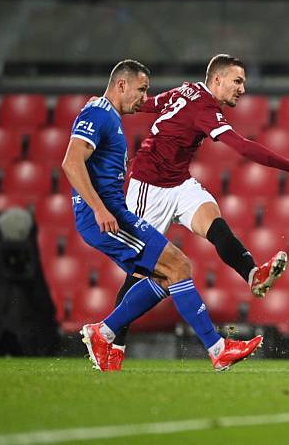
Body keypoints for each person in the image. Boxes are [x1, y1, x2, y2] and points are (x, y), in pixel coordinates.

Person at [107, 54, 289, 370]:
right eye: (238, 81)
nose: (242, 89)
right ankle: (112, 344)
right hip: (148, 188)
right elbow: (243, 147)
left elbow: (151, 104)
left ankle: (252, 274)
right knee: (141, 271)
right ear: (216, 79)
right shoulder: (203, 108)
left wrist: (122, 108)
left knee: (214, 222)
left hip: (179, 182)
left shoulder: (186, 91)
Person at [62, 59, 262, 372]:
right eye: (141, 90)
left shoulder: (108, 115)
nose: (145, 98)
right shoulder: (98, 113)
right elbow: (71, 163)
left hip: (115, 212)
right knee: (179, 266)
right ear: (122, 85)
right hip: (103, 215)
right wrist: (99, 208)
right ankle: (217, 349)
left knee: (167, 275)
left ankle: (104, 333)